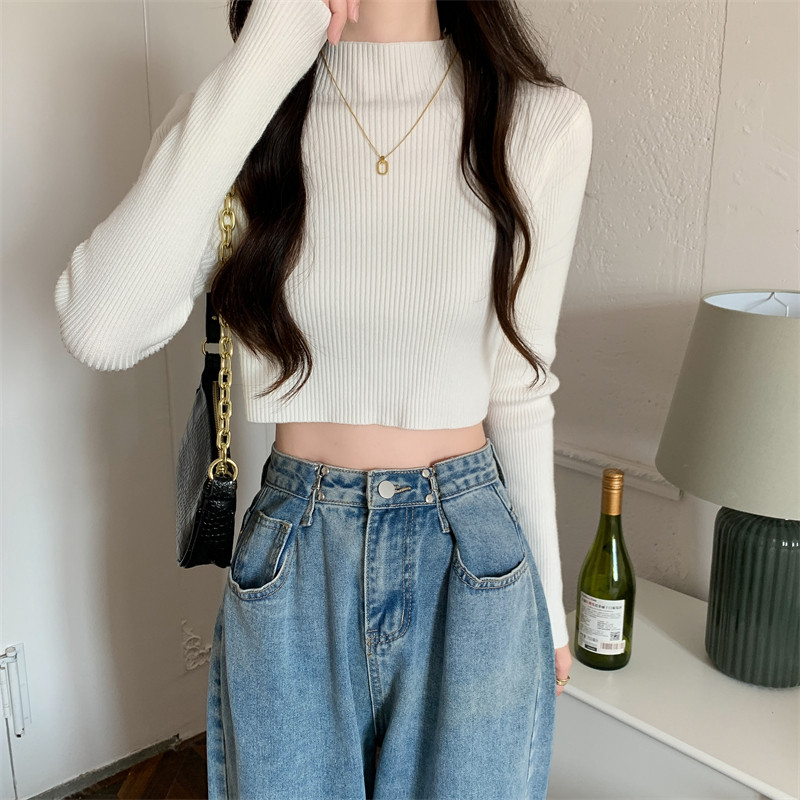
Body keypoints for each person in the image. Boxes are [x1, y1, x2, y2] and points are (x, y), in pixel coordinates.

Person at [54, 0, 592, 796]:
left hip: (471, 558)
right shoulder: (246, 109)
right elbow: (101, 327)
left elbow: (519, 384)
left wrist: (545, 599)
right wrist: (273, 45)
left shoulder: (540, 123)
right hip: (296, 553)